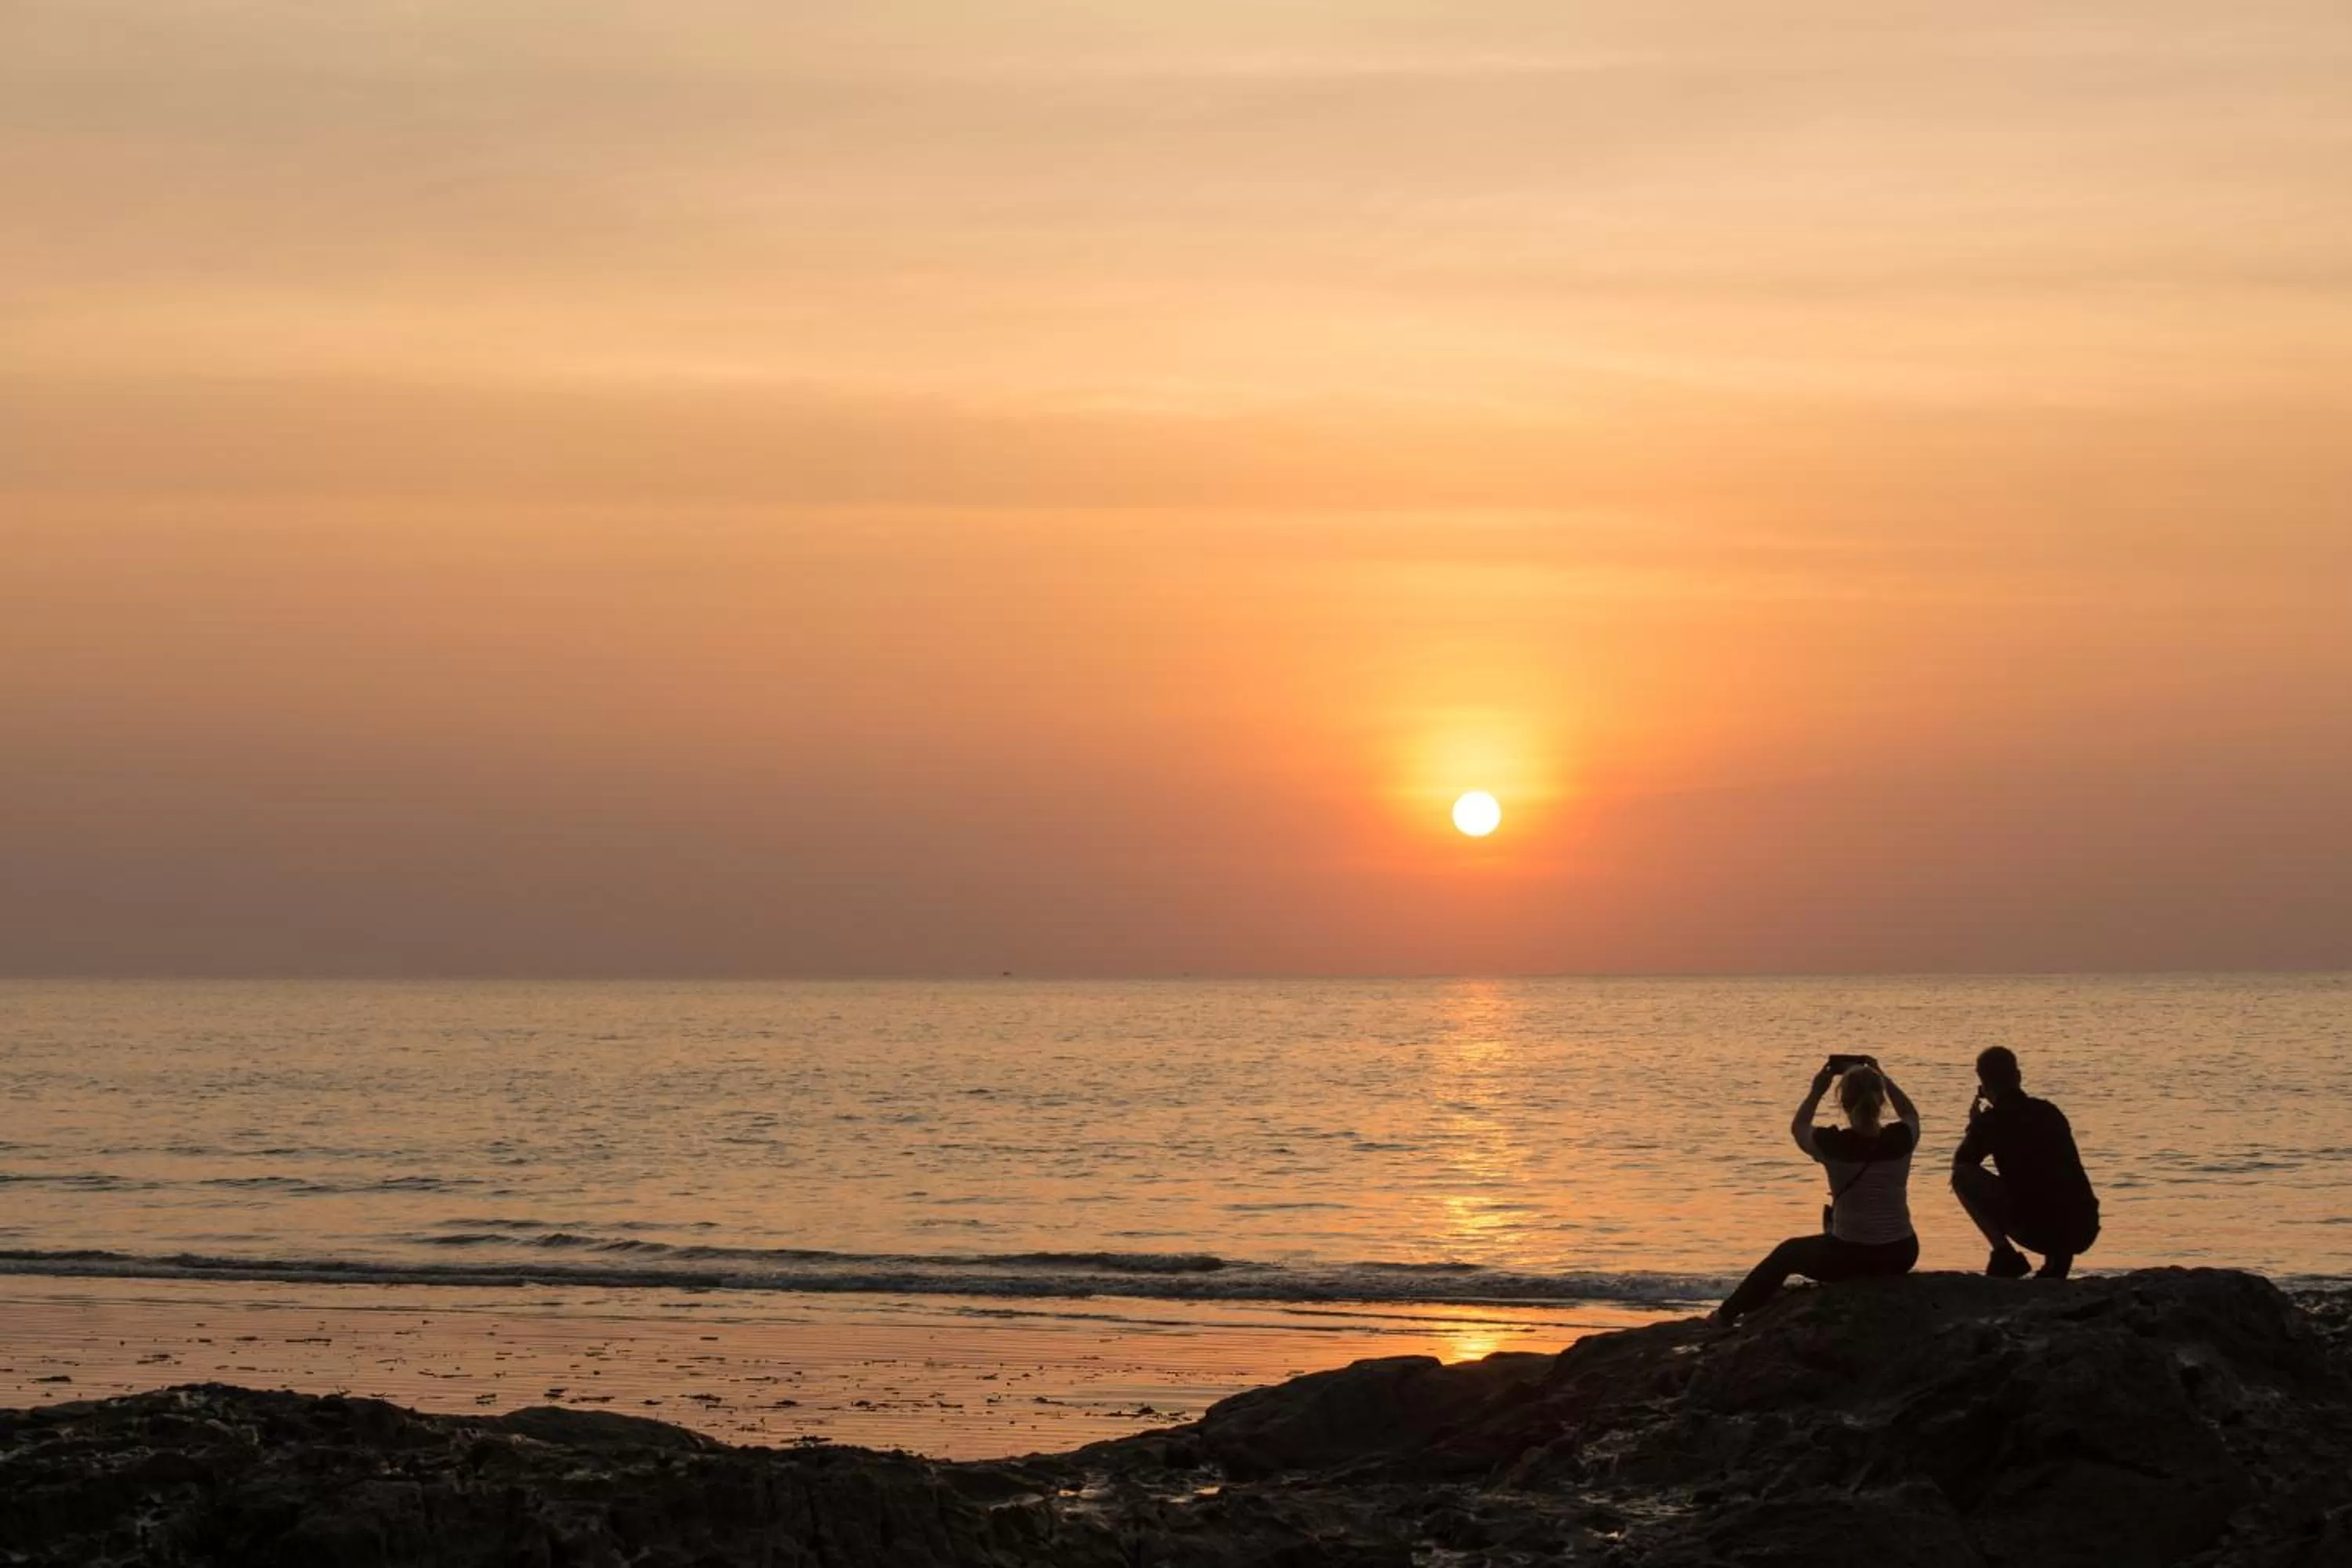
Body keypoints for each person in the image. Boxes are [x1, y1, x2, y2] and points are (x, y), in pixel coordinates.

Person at [1715, 1057, 1922, 1323]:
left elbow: (1799, 1127)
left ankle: (1725, 1315)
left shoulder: (1832, 1143)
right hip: (1901, 1253)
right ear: (1881, 1100)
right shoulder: (1901, 1138)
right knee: (1834, 1228)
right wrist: (1883, 1076)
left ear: (1843, 1102)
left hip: (1850, 1256)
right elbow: (1910, 1114)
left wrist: (1816, 1091)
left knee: (1788, 1252)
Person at [1951, 1046, 2100, 1279]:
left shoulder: (1991, 1122)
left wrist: (1975, 1126)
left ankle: (2004, 1254)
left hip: (2036, 1230)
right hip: (2084, 1228)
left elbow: (1962, 1164)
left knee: (1962, 1176)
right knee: (2052, 1183)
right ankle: (2057, 1261)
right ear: (2018, 1077)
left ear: (1984, 1086)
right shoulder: (2050, 1112)